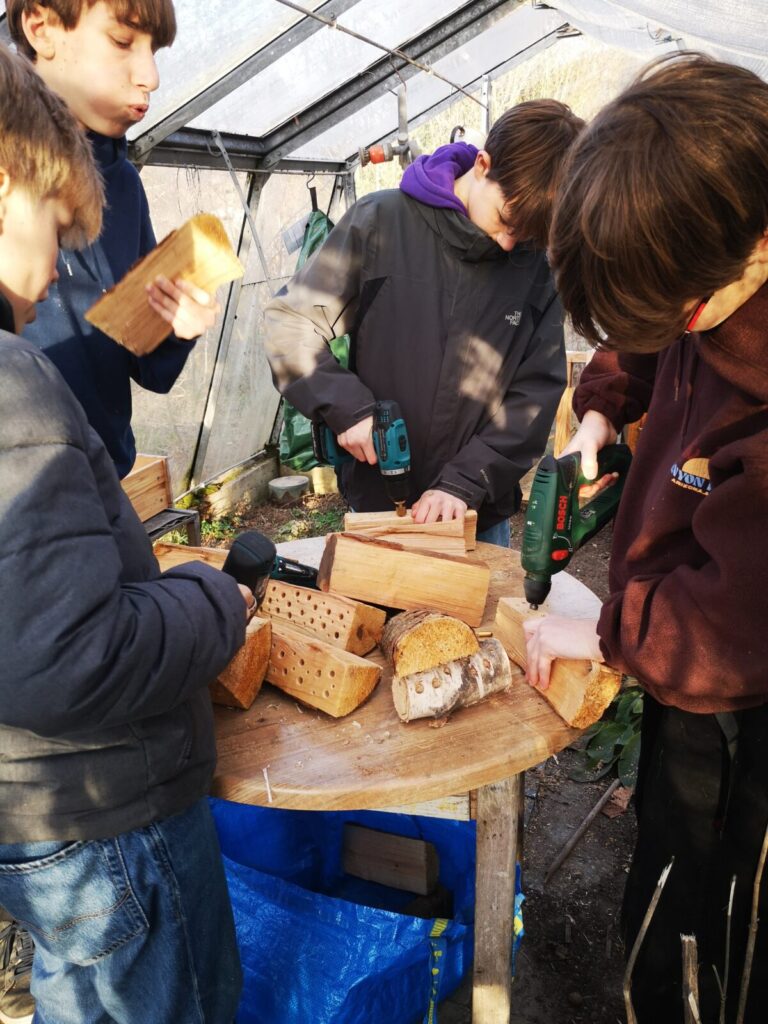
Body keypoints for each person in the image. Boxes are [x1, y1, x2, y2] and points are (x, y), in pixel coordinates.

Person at [0, 46, 252, 1024]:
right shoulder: (15, 386)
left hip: (30, 811)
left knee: (79, 992)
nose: (62, 264)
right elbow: (77, 658)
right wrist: (212, 598)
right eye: (57, 229)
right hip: (103, 811)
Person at [524, 53, 768, 1023]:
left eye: (678, 320)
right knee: (667, 861)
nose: (668, 334)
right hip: (684, 680)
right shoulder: (707, 261)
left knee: (729, 914)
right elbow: (639, 328)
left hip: (744, 699)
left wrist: (609, 632)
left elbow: (737, 620)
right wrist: (600, 410)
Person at [265, 101, 584, 545]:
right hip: (377, 509)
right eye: (507, 221)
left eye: (529, 234)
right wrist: (347, 409)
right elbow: (291, 323)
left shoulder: (537, 271)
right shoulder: (379, 223)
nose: (510, 244)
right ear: (483, 165)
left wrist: (465, 481)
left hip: (475, 516)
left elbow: (533, 397)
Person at [6, 0, 219, 479]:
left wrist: (176, 329)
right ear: (41, 28)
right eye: (122, 41)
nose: (151, 77)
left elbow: (148, 368)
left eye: (154, 51)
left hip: (102, 480)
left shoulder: (123, 185)